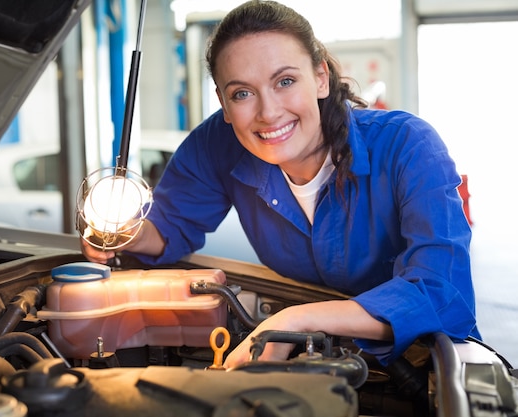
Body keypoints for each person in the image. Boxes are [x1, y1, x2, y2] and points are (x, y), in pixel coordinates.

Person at [81, 0, 479, 368]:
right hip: (301, 355)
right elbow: (168, 228)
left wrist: (298, 318)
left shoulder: (407, 145)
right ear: (222, 101)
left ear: (320, 77)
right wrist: (123, 232)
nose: (268, 112)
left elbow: (440, 293)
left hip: (422, 363)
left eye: (285, 81)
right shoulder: (217, 144)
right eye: (242, 93)